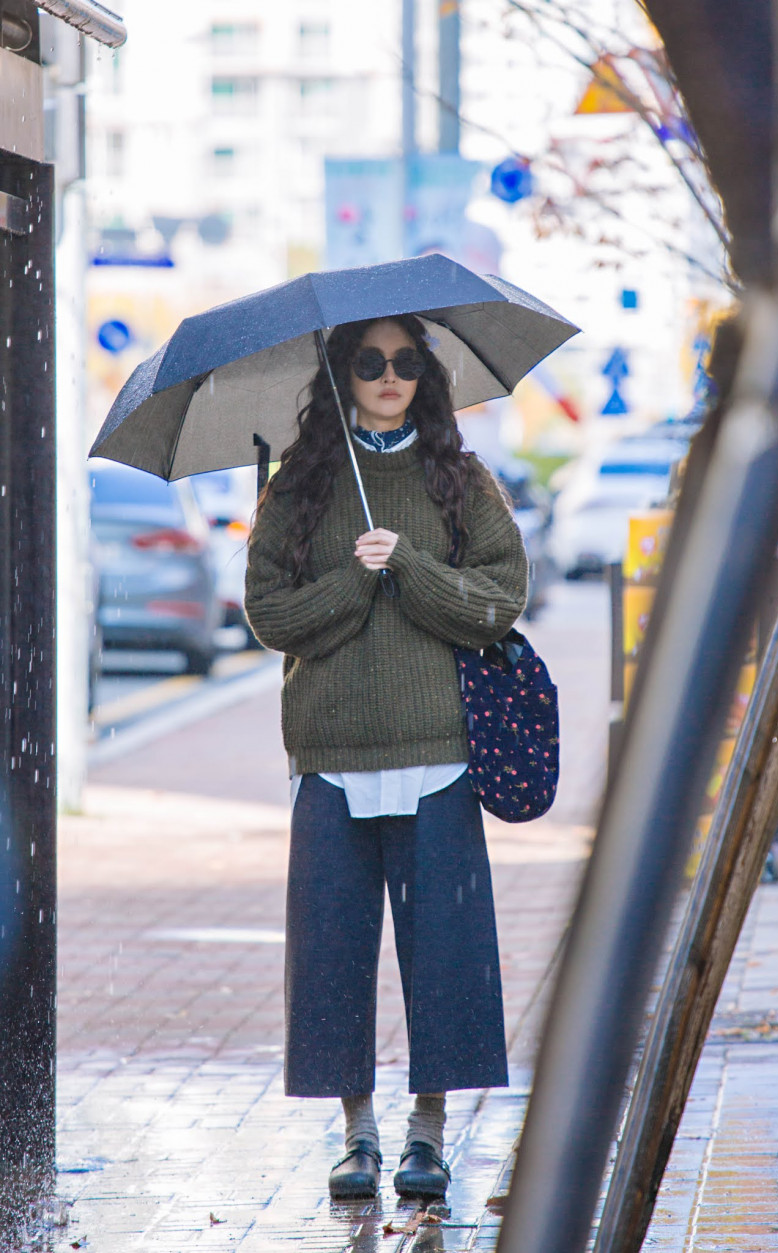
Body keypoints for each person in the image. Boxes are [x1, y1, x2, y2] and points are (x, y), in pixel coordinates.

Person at [244, 313, 528, 1201]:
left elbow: (501, 597)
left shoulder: (459, 479)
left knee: (442, 951)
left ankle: (426, 1133)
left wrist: (410, 567)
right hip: (329, 755)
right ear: (341, 375)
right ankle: (357, 1135)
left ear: (427, 377)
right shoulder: (299, 488)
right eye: (369, 361)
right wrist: (353, 581)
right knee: (332, 953)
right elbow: (268, 616)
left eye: (406, 362)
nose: (389, 374)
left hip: (439, 753)